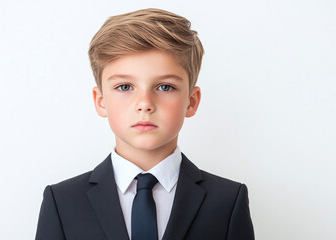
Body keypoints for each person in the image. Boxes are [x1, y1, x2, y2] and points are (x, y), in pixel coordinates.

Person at [35, 8, 254, 240]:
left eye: (165, 87)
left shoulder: (228, 200)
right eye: (125, 87)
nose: (144, 104)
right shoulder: (62, 201)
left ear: (191, 101)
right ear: (101, 101)